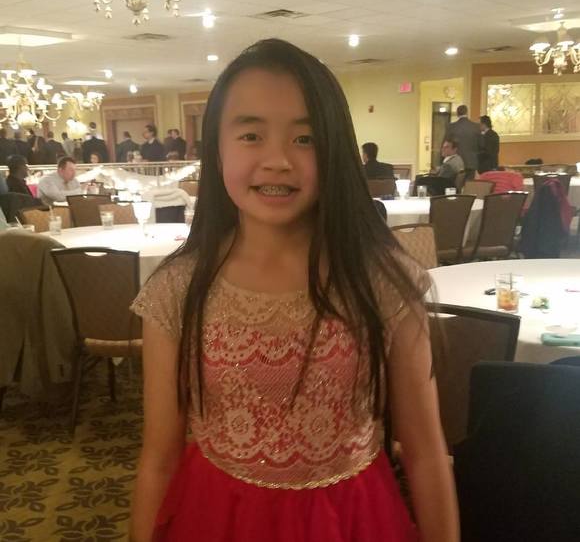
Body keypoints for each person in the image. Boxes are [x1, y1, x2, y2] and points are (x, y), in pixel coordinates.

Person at [130, 39, 458, 542]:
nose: (278, 160)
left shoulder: (382, 281)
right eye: (251, 135)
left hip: (352, 521)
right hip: (218, 517)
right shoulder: (178, 288)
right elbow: (159, 457)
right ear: (216, 149)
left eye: (305, 139)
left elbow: (426, 453)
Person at [445, 105, 480, 179]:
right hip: (471, 162)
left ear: (457, 113)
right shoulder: (476, 126)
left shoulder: (451, 126)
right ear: (467, 112)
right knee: (469, 184)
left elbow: (446, 144)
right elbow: (480, 145)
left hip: (455, 162)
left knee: (456, 183)